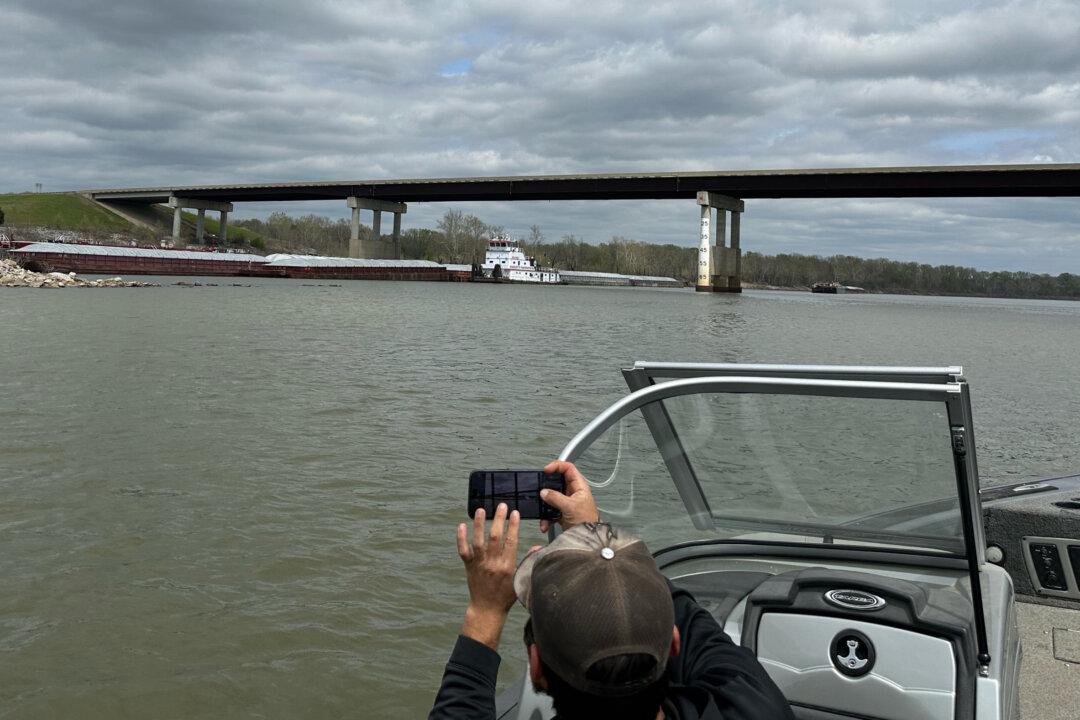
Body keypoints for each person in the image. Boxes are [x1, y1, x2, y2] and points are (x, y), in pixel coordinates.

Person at [429, 460, 795, 720]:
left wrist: (485, 614)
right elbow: (703, 634)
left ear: (536, 667)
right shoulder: (752, 705)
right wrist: (599, 541)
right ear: (673, 645)